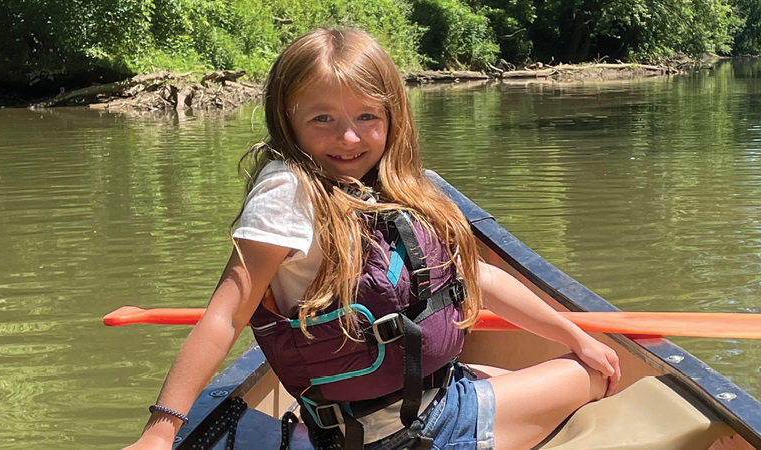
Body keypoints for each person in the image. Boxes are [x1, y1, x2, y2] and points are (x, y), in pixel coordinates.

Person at [122, 28, 620, 450]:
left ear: (391, 118)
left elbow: (473, 277)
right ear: (287, 120)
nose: (350, 139)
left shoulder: (382, 185)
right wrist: (160, 431)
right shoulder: (288, 191)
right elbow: (226, 314)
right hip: (406, 432)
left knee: (513, 366)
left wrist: (575, 335)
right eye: (323, 119)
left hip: (405, 408)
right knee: (593, 376)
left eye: (367, 117)